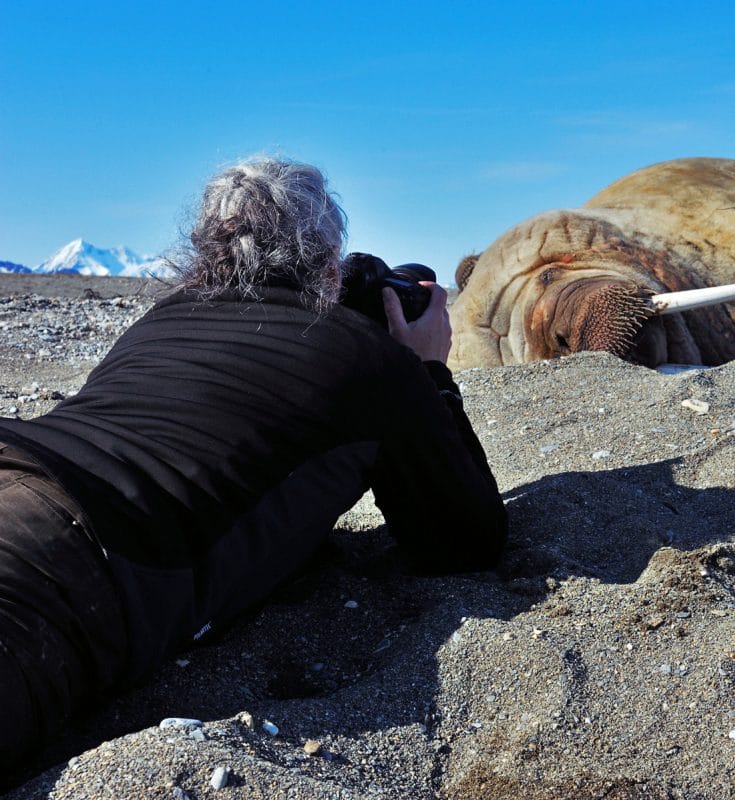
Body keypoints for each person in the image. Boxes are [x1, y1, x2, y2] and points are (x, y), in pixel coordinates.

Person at [0, 157, 507, 770]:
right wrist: (426, 371)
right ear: (326, 264)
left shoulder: (158, 322)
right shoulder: (368, 360)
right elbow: (463, 541)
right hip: (70, 550)